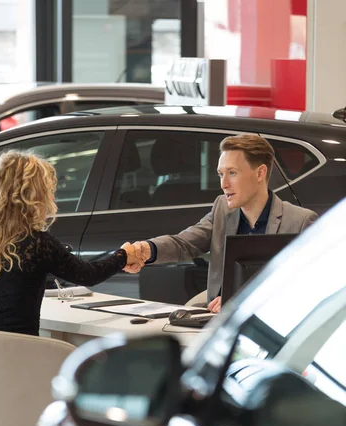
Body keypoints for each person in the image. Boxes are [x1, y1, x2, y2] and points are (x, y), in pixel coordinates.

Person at [124, 133, 318, 313]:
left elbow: (307, 291)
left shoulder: (300, 222)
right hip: (220, 322)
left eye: (232, 173)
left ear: (260, 173)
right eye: (220, 174)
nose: (224, 184)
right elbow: (185, 244)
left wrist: (237, 299)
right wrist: (146, 250)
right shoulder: (222, 208)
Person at [0, 150, 142, 336]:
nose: (51, 198)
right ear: (34, 197)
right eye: (48, 191)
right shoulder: (36, 243)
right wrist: (123, 255)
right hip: (22, 353)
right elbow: (88, 275)